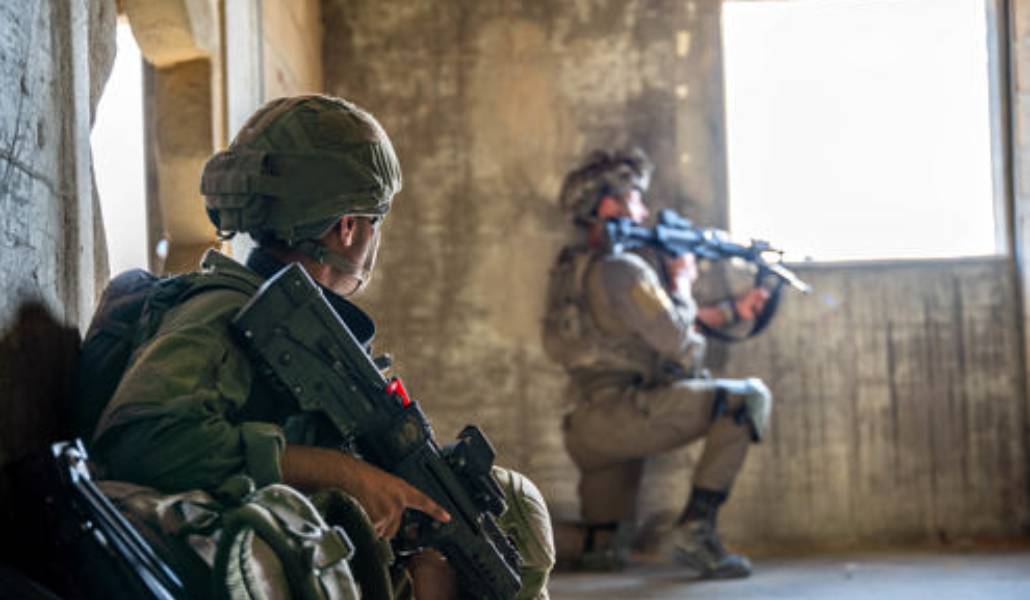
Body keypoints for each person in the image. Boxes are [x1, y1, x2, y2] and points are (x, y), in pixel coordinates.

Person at [80, 95, 554, 599]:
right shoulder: (224, 314)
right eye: (375, 218)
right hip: (216, 555)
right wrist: (344, 474)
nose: (375, 236)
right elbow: (142, 441)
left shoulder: (298, 325)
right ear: (347, 228)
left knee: (511, 509)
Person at [543, 148, 773, 579]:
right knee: (746, 401)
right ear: (608, 205)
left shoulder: (574, 268)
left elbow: (647, 326)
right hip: (626, 414)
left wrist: (731, 312)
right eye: (634, 199)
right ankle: (696, 532)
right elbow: (682, 346)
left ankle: (503, 531)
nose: (643, 209)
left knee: (603, 548)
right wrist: (683, 281)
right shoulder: (625, 269)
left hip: (589, 426)